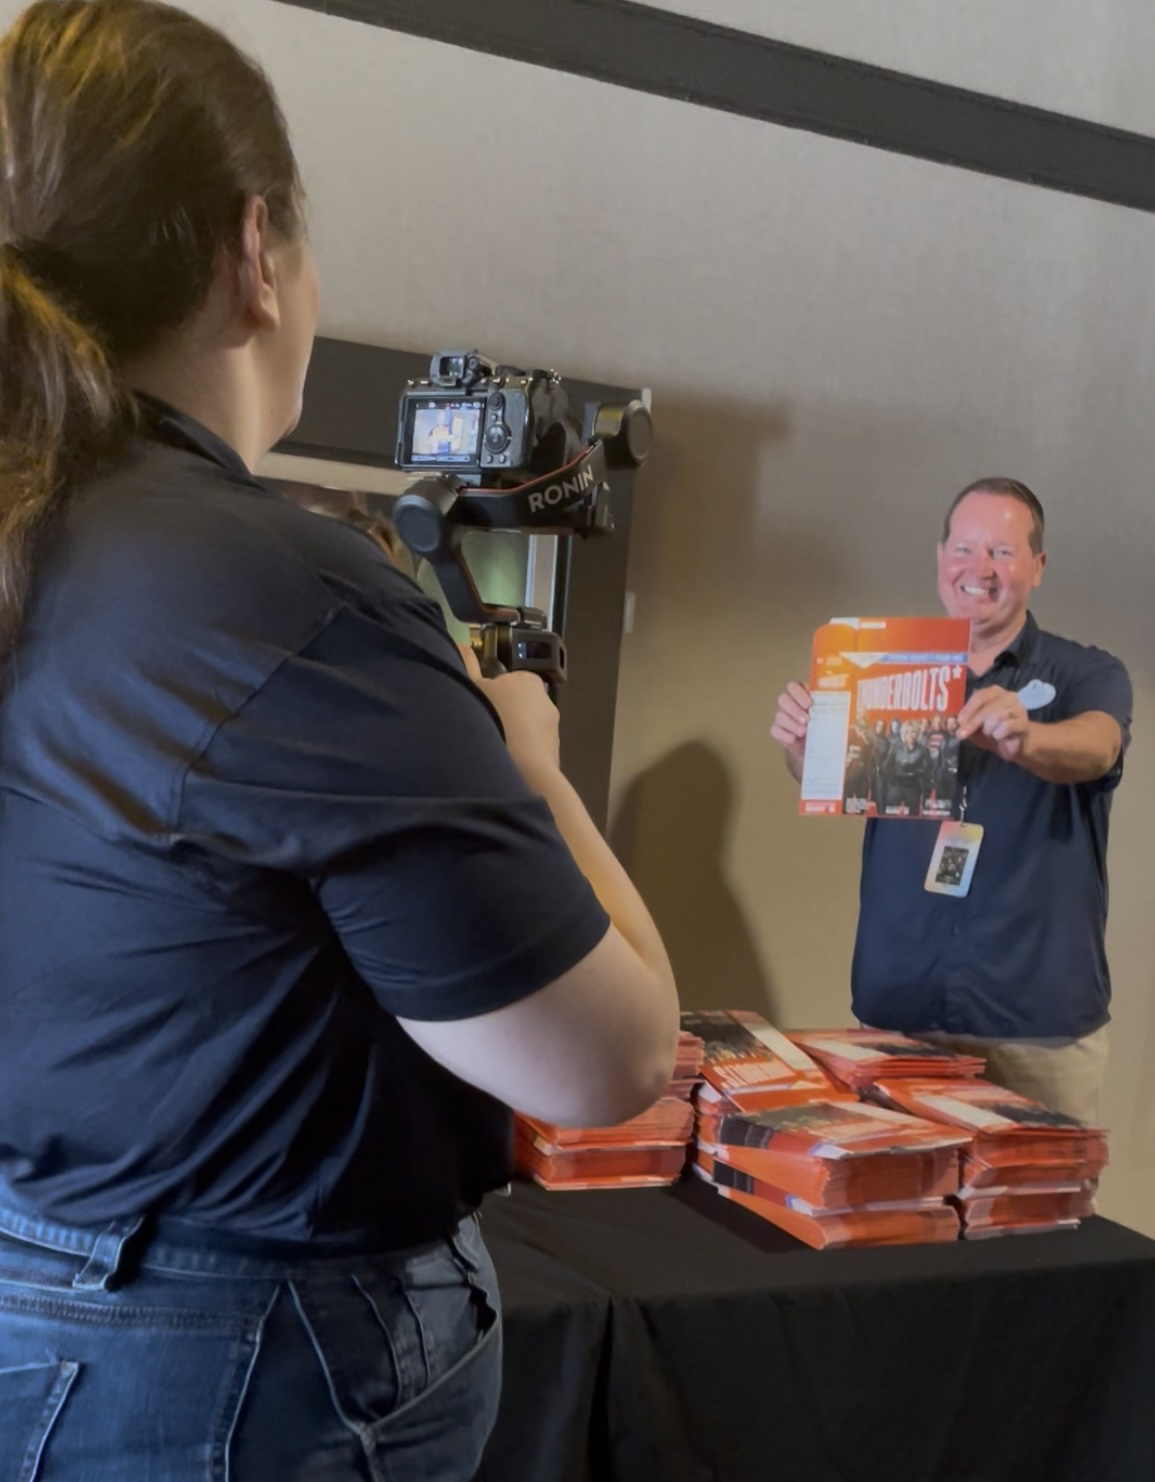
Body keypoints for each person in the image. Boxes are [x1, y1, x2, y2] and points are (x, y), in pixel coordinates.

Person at [0, 4, 679, 1478]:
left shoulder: (39, 537)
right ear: (257, 253)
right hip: (246, 1353)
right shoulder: (283, 588)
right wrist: (535, 770)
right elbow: (607, 1058)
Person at [771, 477, 1131, 1123]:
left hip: (1033, 1018)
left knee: (1042, 1218)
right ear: (939, 558)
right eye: (964, 549)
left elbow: (1098, 748)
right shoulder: (879, 667)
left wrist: (1023, 739)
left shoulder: (1085, 673)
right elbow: (827, 779)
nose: (978, 570)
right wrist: (802, 744)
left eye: (1000, 552)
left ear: (1036, 567)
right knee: (900, 1212)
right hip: (899, 1010)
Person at [878, 718, 932, 816]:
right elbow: (887, 766)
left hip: (913, 786)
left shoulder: (923, 750)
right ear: (903, 734)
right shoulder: (895, 747)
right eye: (907, 732)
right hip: (896, 785)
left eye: (913, 732)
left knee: (913, 815)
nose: (910, 735)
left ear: (917, 733)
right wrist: (894, 775)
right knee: (889, 814)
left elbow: (927, 769)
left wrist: (914, 770)